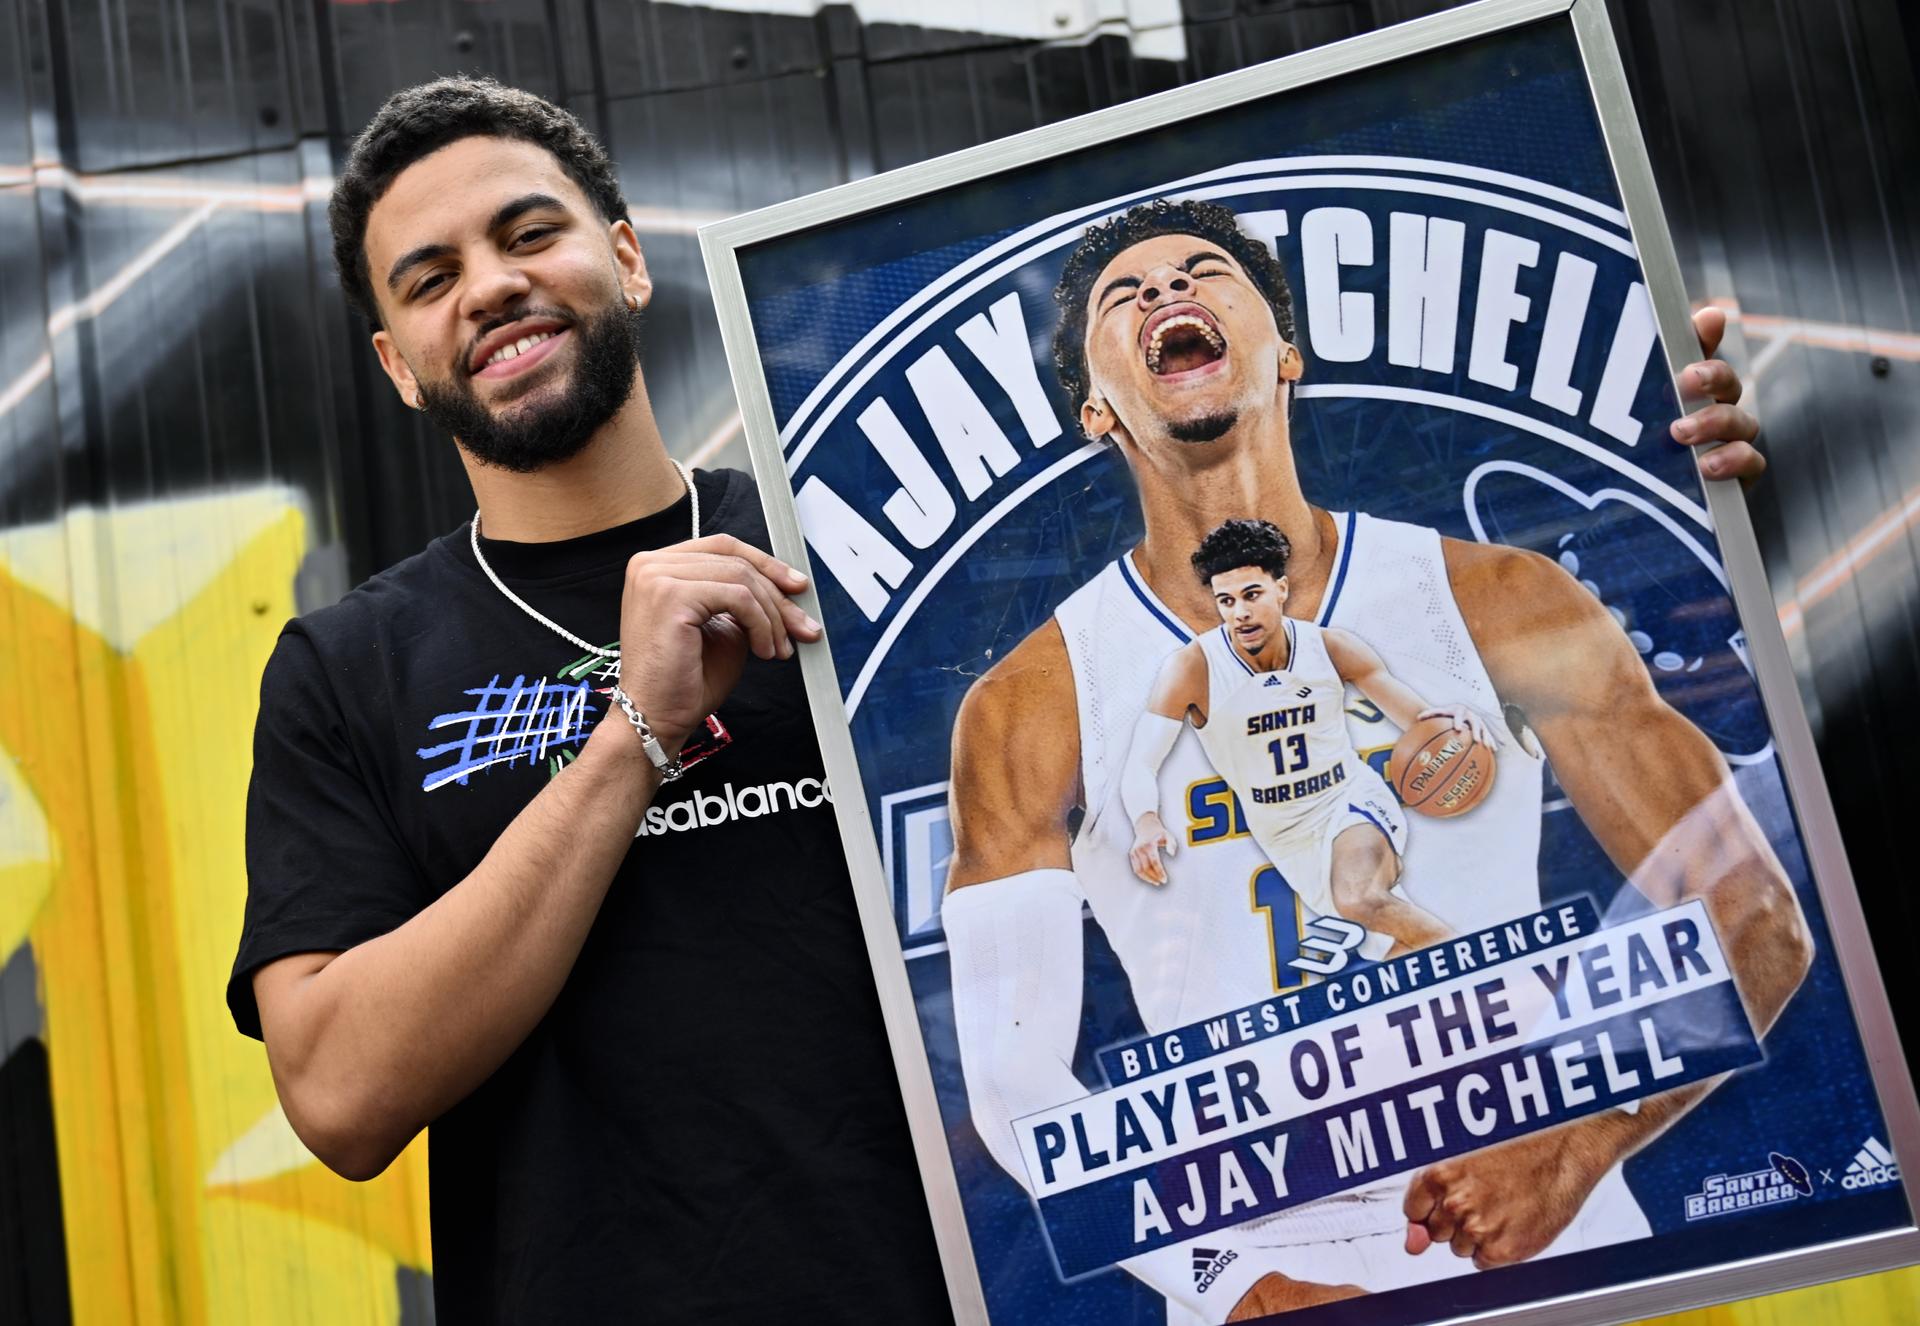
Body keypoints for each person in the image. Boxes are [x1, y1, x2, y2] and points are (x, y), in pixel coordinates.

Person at [941, 198, 1800, 1323]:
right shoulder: (1033, 700)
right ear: (1095, 407)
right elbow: (1011, 1079)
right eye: (1126, 293)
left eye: (1201, 271)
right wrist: (1235, 1285)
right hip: (1260, 1253)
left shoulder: (1496, 600)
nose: (1166, 291)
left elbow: (1751, 913)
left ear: (1286, 351)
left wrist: (1578, 1147)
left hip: (1544, 1216)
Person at [226, 77, 951, 1324]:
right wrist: (635, 737)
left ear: (625, 258)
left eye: (528, 234)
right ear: (400, 367)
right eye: (430, 278)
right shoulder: (344, 671)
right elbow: (339, 1097)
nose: (490, 287)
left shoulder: (851, 553)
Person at [1123, 516, 1493, 959]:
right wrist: (1145, 820)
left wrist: (1453, 719)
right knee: (1397, 949)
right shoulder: (1192, 668)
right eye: (1226, 601)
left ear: (1281, 589)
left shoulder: (1331, 647)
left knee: (1359, 898)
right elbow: (1141, 762)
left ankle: (1494, 969)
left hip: (1349, 802)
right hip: (1285, 837)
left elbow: (1419, 720)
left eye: (1252, 595)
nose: (1240, 613)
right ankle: (1477, 980)